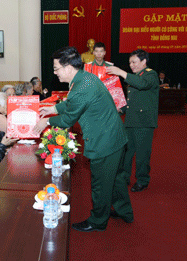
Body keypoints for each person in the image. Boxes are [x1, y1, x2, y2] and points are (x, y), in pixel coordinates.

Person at [34, 46, 133, 232]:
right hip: (115, 137)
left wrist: (46, 121)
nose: (55, 73)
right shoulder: (83, 79)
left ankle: (98, 221)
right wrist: (54, 109)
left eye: (56, 69)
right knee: (116, 179)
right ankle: (124, 211)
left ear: (68, 68)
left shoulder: (81, 86)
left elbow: (68, 119)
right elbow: (73, 104)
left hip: (105, 142)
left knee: (101, 184)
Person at [106, 49, 159, 192]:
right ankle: (124, 177)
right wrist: (121, 109)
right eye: (130, 62)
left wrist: (120, 72)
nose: (131, 65)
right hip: (131, 121)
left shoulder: (150, 74)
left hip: (144, 123)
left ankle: (142, 180)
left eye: (134, 62)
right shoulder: (135, 76)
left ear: (144, 61)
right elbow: (132, 100)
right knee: (127, 152)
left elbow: (142, 84)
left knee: (142, 154)